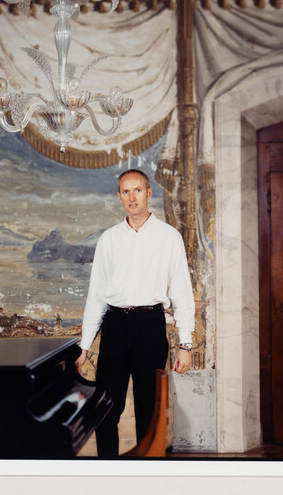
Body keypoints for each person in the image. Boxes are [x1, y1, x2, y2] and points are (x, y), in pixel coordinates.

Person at [75, 169, 195, 457]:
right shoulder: (109, 239)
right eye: (125, 192)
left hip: (150, 328)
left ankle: (147, 480)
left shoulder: (169, 237)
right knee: (106, 409)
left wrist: (186, 344)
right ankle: (109, 477)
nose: (132, 197)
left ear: (149, 192)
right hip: (115, 327)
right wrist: (84, 345)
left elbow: (182, 293)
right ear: (119, 196)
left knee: (149, 412)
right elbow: (97, 296)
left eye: (137, 190)